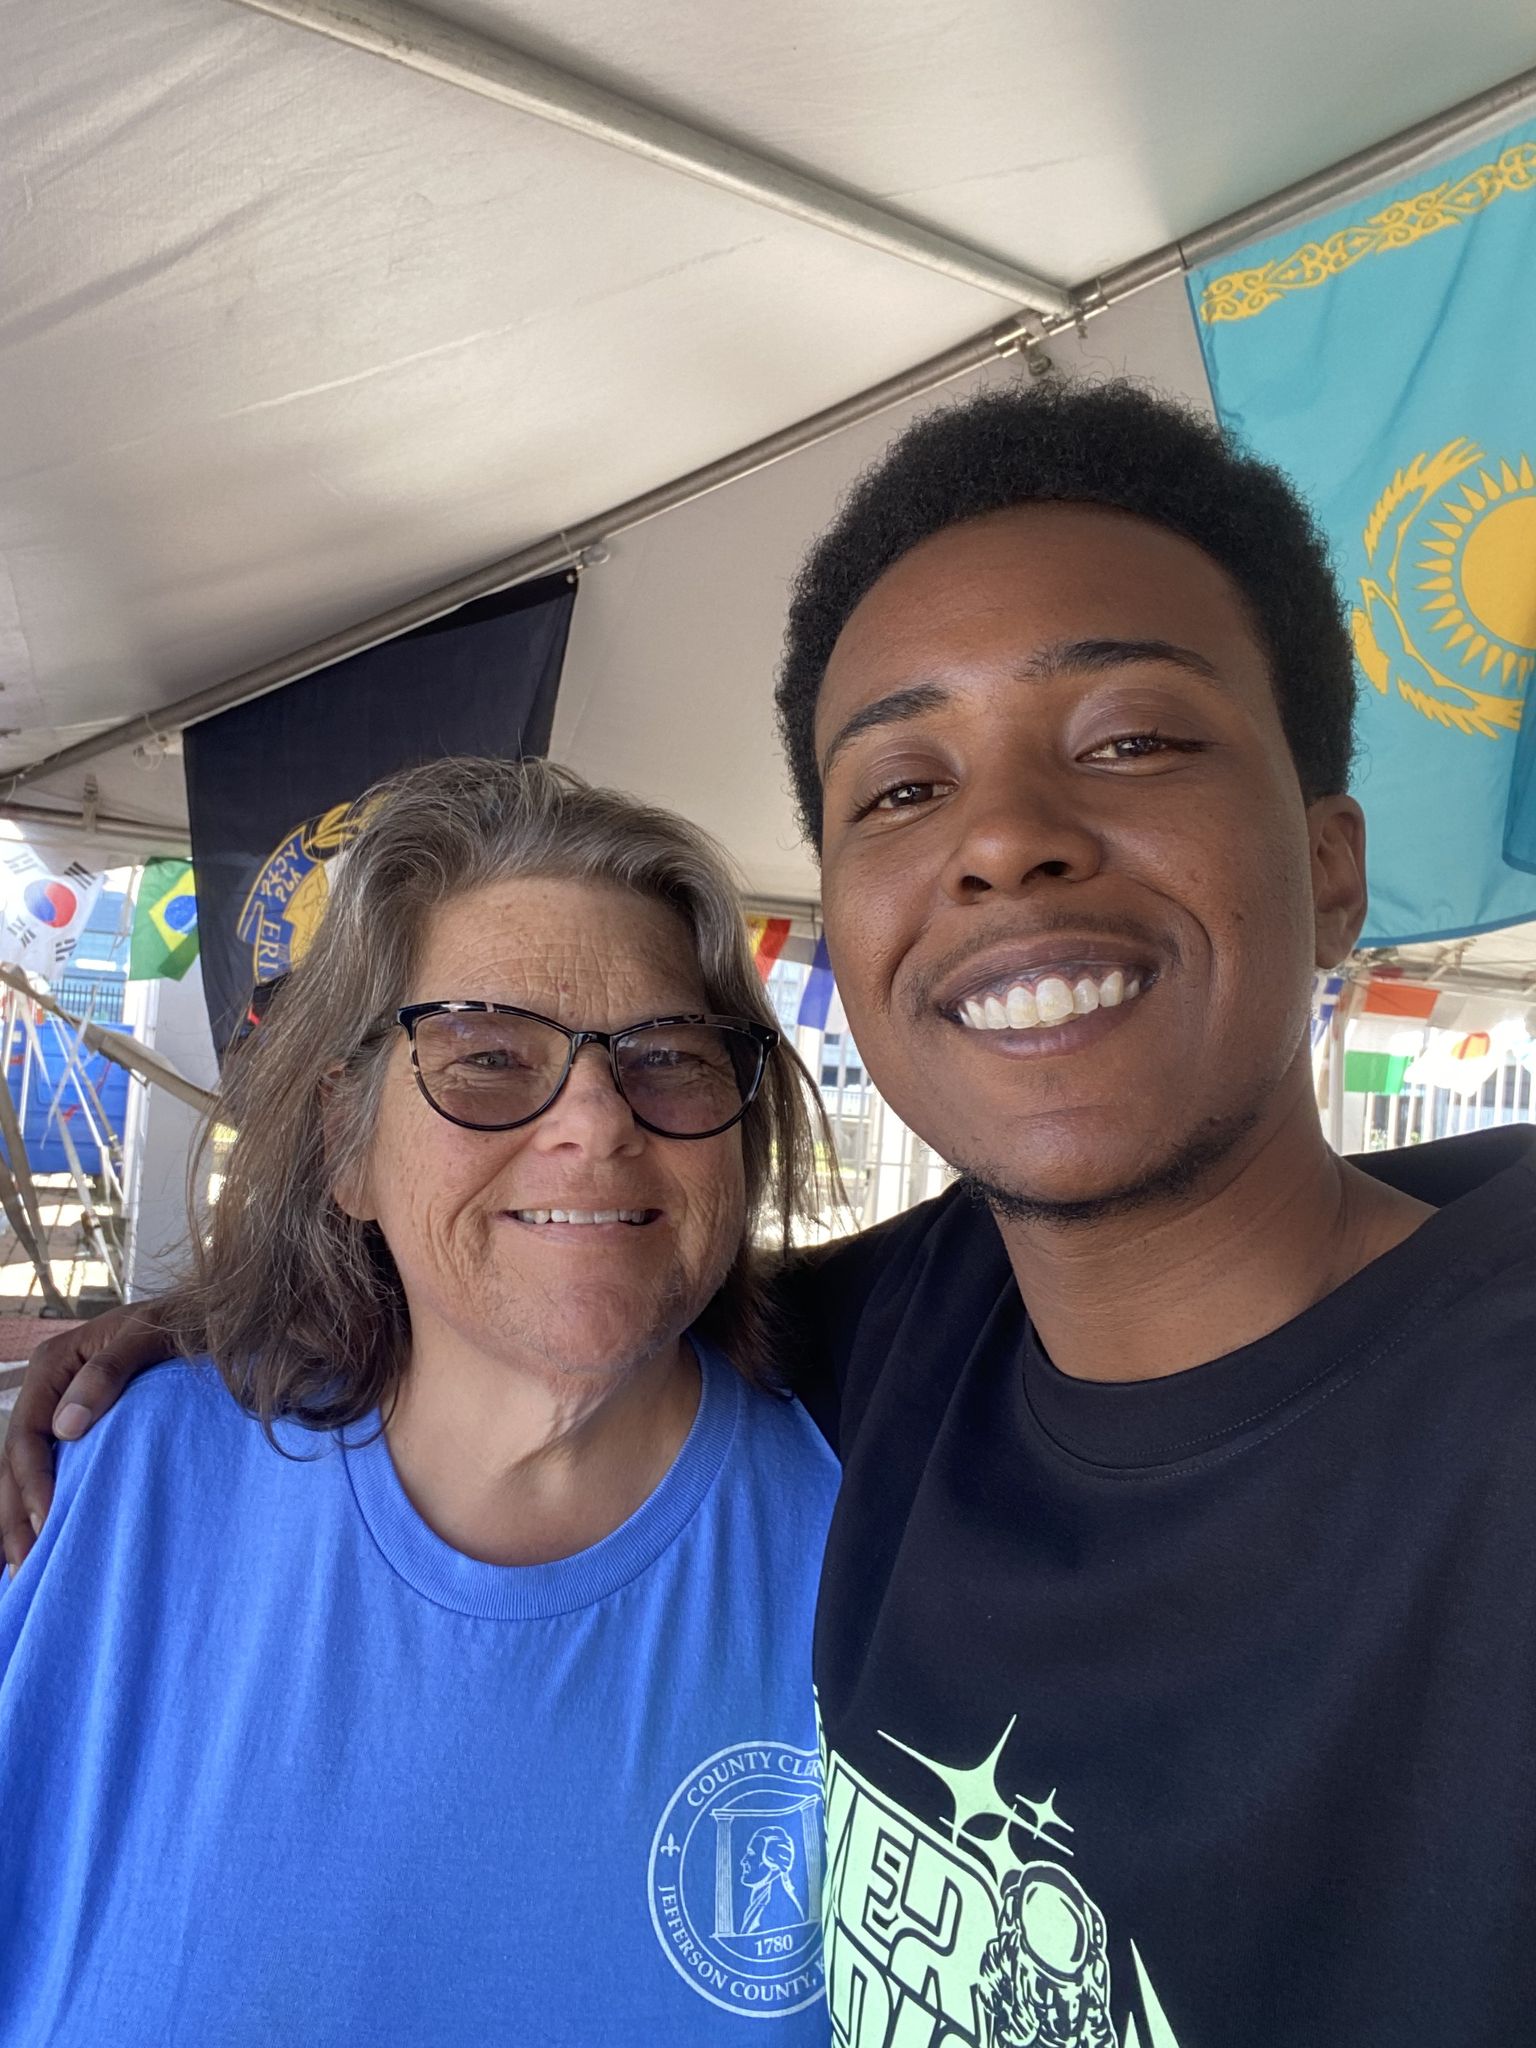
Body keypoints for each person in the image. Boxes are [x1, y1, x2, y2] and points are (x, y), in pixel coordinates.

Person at [9, 380, 1536, 2044]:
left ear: (1332, 867)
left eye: (1130, 739)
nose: (1007, 840)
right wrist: (190, 1343)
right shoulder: (887, 1350)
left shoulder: (839, 1464)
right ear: (343, 1144)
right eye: (487, 1058)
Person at [0, 755, 839, 2046]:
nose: (596, 1122)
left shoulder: (873, 1535)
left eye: (667, 1057)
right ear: (349, 1149)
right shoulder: (124, 1483)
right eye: (487, 1055)